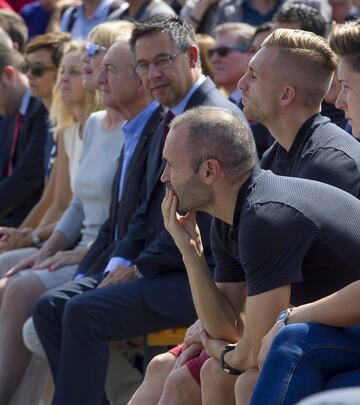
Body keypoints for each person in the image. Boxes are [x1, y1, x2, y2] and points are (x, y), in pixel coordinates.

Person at [32, 15, 246, 405]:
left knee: (82, 312)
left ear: (192, 56)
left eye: (162, 60)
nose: (153, 74)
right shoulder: (166, 115)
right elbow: (140, 212)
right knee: (50, 307)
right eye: (143, 65)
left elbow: (204, 223)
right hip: (163, 266)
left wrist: (139, 267)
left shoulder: (212, 117)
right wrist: (118, 265)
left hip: (202, 279)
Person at [159, 105, 360, 405]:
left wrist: (219, 351)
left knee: (245, 378)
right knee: (216, 373)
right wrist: (191, 253)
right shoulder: (231, 216)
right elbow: (228, 327)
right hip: (337, 329)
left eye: (171, 165)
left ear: (209, 171)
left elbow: (251, 351)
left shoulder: (265, 217)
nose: (164, 177)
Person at [248, 18, 360, 405]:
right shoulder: (273, 156)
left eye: (345, 86)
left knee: (287, 344)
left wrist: (287, 317)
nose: (338, 101)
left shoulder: (329, 161)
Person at [0, 41, 104, 405]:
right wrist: (30, 238)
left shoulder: (104, 128)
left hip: (92, 252)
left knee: (16, 285)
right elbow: (59, 201)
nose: (65, 80)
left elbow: (66, 206)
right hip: (67, 243)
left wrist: (33, 239)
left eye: (77, 71)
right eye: (64, 72)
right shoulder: (69, 129)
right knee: (7, 267)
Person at [239, 29, 360, 201]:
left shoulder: (328, 165)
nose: (241, 84)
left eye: (253, 76)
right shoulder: (276, 153)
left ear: (286, 95)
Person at [0, 32, 71, 256]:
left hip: (62, 237)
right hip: (37, 229)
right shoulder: (49, 119)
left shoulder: (54, 121)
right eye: (27, 68)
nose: (30, 76)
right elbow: (49, 199)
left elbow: (27, 181)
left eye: (37, 70)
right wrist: (21, 237)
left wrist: (27, 238)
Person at [0, 44, 48, 228]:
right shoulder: (11, 110)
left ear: (9, 75)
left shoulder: (42, 110)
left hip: (32, 224)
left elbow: (26, 178)